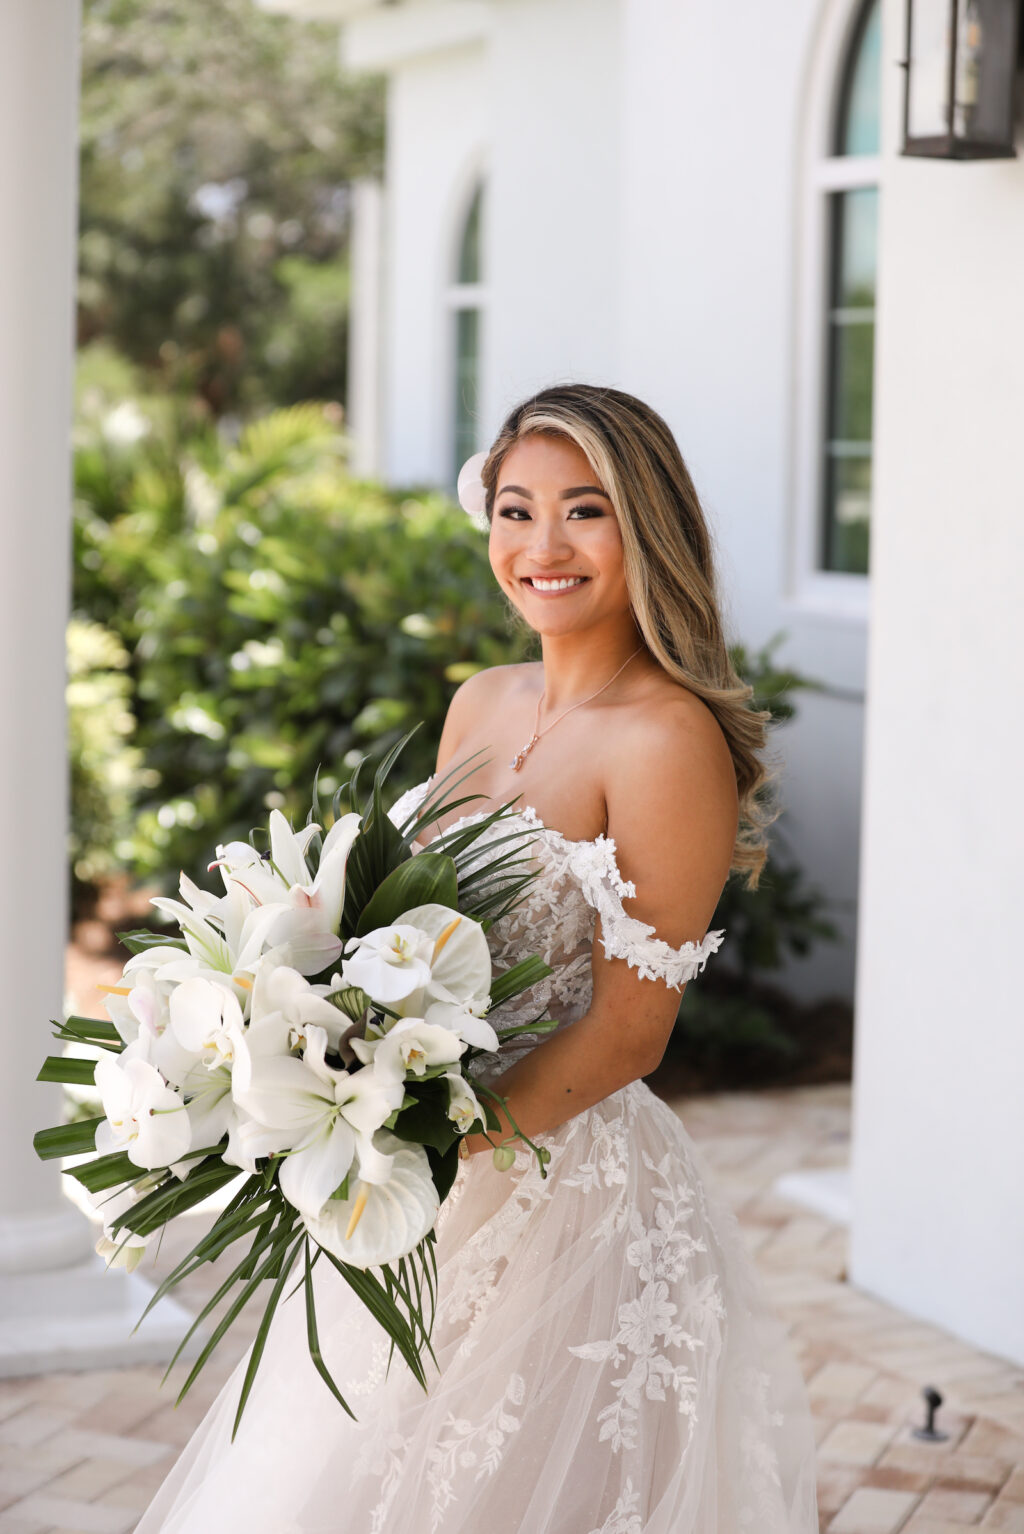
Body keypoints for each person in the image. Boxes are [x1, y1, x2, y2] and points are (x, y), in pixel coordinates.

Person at [137, 383, 819, 1533]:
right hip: (407, 1173)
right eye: (515, 509)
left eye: (584, 511)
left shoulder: (665, 738)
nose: (541, 547)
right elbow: (416, 931)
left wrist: (429, 1148)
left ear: (646, 526)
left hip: (558, 1192)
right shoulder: (481, 703)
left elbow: (630, 1029)